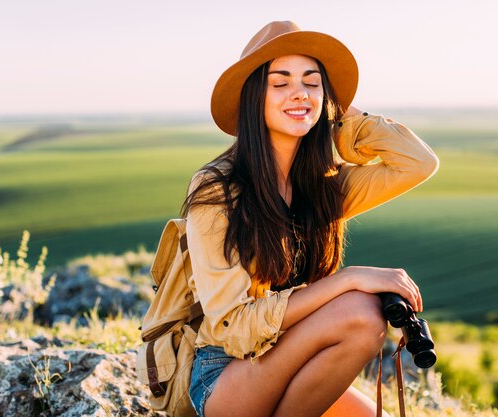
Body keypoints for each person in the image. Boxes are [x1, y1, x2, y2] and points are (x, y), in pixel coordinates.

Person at [181, 21, 439, 417]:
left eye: (312, 82)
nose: (299, 92)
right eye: (280, 83)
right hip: (227, 376)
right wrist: (348, 280)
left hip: (293, 358)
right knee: (360, 313)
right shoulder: (219, 189)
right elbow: (235, 326)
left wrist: (338, 114)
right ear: (253, 98)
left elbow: (418, 163)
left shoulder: (324, 187)